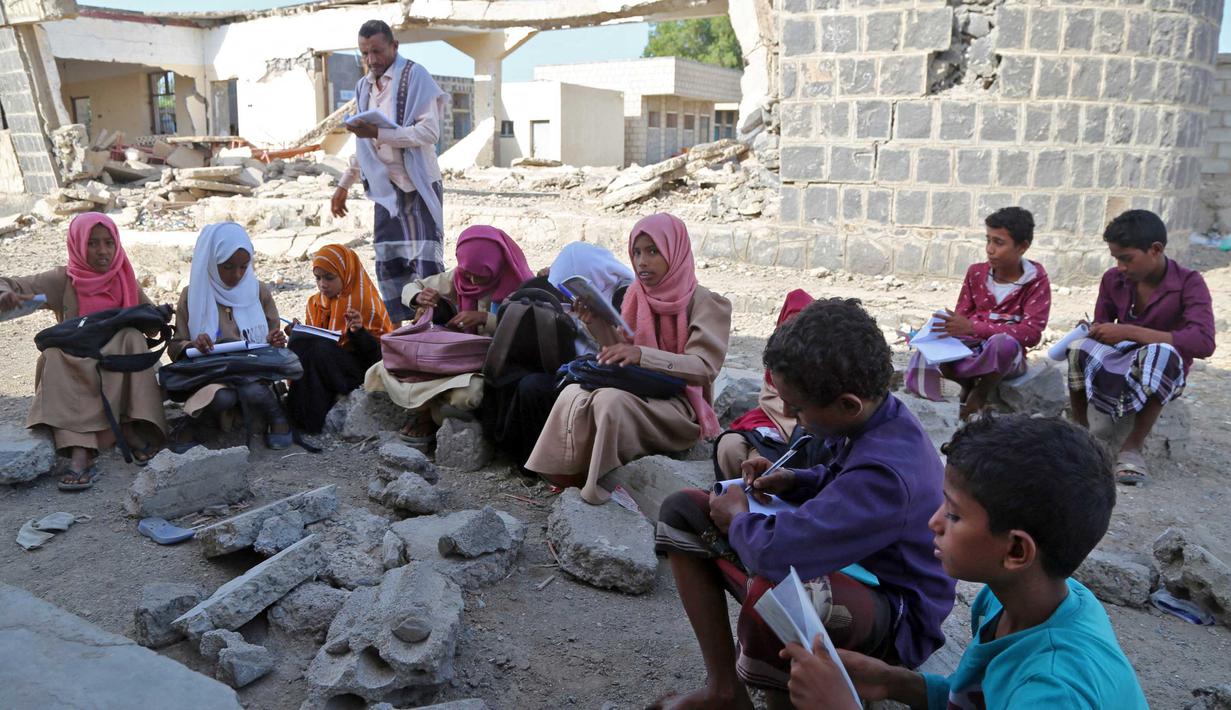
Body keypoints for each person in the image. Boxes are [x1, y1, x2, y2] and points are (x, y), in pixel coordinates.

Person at [651, 298, 954, 710]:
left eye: (798, 408)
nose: (791, 416)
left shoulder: (886, 474)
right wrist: (793, 481)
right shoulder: (874, 417)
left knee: (779, 594)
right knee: (682, 511)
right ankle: (724, 690)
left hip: (895, 614)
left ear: (847, 404)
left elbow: (776, 556)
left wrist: (740, 518)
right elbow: (839, 481)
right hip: (854, 569)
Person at [778, 415, 1148, 710]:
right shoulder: (1008, 601)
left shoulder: (1052, 691)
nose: (933, 522)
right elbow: (982, 696)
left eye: (954, 515)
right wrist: (898, 683)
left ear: (1017, 551)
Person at [525, 213, 732, 505]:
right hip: (641, 390)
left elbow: (704, 367)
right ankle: (563, 474)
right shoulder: (637, 295)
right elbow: (622, 357)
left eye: (652, 251)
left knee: (610, 401)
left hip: (680, 405)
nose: (642, 261)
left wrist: (642, 355)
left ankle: (597, 484)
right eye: (636, 252)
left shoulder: (706, 302)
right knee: (573, 391)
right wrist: (597, 323)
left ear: (675, 251)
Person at [0, 212, 166, 490]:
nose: (102, 251)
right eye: (92, 243)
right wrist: (5, 293)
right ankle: (80, 447)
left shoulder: (123, 277)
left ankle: (129, 426)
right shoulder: (64, 280)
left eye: (108, 243)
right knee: (52, 356)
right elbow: (16, 285)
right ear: (77, 245)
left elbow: (150, 326)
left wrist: (157, 317)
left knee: (131, 337)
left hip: (115, 363)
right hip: (76, 363)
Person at [1067, 209, 1215, 485]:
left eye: (1127, 259)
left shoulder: (1189, 283)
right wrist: (1095, 330)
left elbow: (1204, 342)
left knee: (1163, 351)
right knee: (1078, 347)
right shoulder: (1114, 279)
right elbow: (1102, 321)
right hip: (1118, 364)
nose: (1121, 266)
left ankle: (1132, 447)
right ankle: (1082, 435)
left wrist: (1130, 331)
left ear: (1155, 250)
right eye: (1116, 259)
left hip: (1163, 372)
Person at [364, 225, 534, 447]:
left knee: (469, 394)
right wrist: (419, 297)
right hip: (453, 357)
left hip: (487, 365)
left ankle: (429, 415)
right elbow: (412, 287)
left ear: (496, 264)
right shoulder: (458, 277)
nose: (472, 282)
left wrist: (485, 318)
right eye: (468, 275)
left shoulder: (520, 286)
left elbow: (525, 331)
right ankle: (430, 414)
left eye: (480, 276)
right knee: (381, 371)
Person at [330, 19, 446, 322]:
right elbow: (362, 143)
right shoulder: (363, 85)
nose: (371, 60)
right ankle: (398, 333)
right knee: (389, 264)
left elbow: (429, 132)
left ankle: (434, 333)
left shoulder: (415, 75)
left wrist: (379, 134)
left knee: (426, 266)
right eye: (365, 53)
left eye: (377, 52)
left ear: (394, 46)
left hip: (417, 184)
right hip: (385, 189)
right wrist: (344, 184)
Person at [483, 241, 635, 473]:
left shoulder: (628, 297)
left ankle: (541, 466)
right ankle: (525, 459)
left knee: (533, 387)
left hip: (608, 378)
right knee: (513, 377)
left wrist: (592, 324)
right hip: (578, 368)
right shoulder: (584, 298)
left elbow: (624, 351)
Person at [906, 207, 1051, 419]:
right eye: (988, 240)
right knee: (935, 341)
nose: (990, 249)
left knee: (1003, 343)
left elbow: (1031, 334)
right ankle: (961, 384)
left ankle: (981, 391)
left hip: (1006, 357)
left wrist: (974, 327)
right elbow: (962, 315)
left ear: (1023, 247)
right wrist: (946, 326)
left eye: (999, 243)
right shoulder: (976, 273)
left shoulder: (1035, 280)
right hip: (972, 347)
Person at [168, 222, 289, 449]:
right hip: (211, 374)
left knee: (251, 387)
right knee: (222, 396)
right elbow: (175, 347)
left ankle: (277, 416)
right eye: (228, 266)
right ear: (212, 262)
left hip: (252, 371)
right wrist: (193, 344)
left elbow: (272, 338)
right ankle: (199, 424)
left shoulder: (257, 291)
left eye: (244, 267)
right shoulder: (192, 295)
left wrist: (274, 341)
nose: (237, 274)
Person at [285, 244, 394, 433]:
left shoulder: (363, 303)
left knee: (319, 350)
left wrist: (358, 332)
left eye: (329, 278)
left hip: (358, 371)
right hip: (328, 364)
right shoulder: (316, 302)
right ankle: (297, 416)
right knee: (304, 347)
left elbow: (379, 357)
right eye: (317, 278)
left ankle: (309, 419)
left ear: (346, 273)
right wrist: (297, 333)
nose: (322, 284)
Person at [713, 288, 815, 479]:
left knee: (759, 468)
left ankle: (751, 503)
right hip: (766, 420)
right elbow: (771, 402)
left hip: (799, 431)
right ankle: (732, 494)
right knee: (730, 449)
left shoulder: (819, 372)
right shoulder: (777, 359)